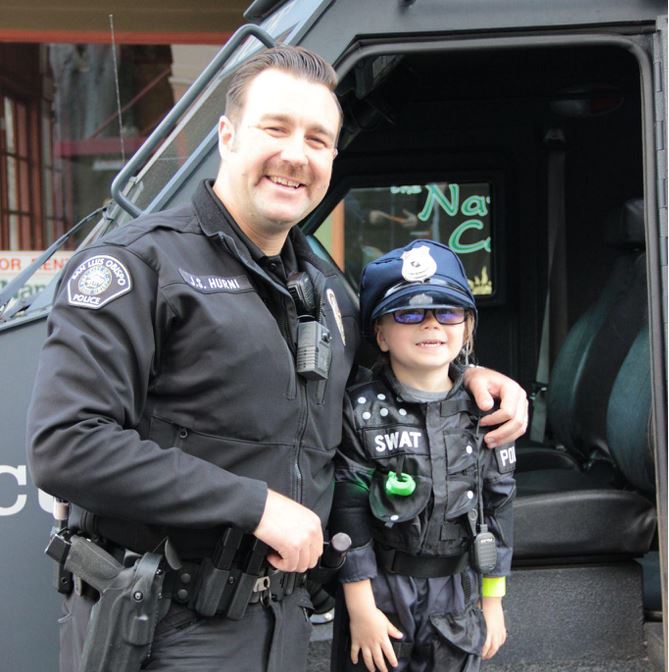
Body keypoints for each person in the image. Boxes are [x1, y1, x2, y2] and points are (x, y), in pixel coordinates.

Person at [26, 46, 526, 672]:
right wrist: (255, 505)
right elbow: (66, 444)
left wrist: (471, 375)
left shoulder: (328, 289)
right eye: (276, 128)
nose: (297, 154)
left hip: (283, 623)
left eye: (318, 138)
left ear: (332, 159)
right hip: (164, 625)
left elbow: (390, 373)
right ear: (228, 136)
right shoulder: (140, 267)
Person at [329, 240, 516, 672]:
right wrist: (359, 607)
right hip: (380, 592)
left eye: (448, 313)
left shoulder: (488, 410)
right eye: (408, 313)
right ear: (379, 333)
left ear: (467, 328)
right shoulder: (357, 410)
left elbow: (499, 508)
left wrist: (493, 602)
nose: (430, 324)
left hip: (457, 593)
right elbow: (348, 508)